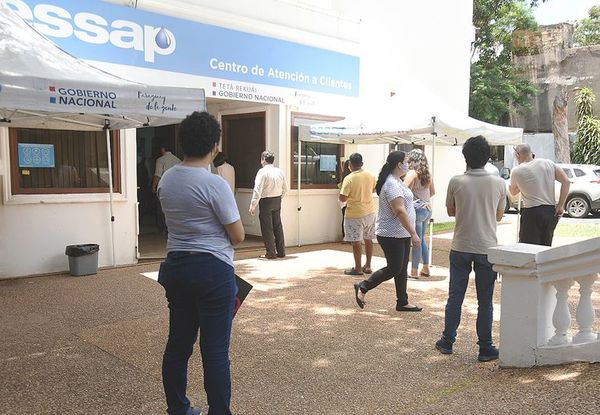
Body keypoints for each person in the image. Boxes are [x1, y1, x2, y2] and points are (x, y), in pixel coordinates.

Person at [157, 111, 244, 415]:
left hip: (176, 266)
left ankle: (178, 409)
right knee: (215, 350)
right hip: (212, 271)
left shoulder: (167, 179)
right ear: (214, 145)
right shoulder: (214, 184)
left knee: (178, 345)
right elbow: (237, 235)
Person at [434, 135, 506, 362]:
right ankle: (485, 347)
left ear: (465, 157)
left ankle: (447, 340)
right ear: (488, 157)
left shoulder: (456, 181)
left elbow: (450, 211)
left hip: (461, 245)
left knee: (455, 296)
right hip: (487, 246)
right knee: (485, 299)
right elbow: (499, 215)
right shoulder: (498, 183)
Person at [353, 151, 422, 311]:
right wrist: (414, 233)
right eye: (406, 161)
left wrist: (415, 206)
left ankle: (402, 302)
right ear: (399, 164)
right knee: (394, 268)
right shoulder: (391, 183)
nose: (408, 164)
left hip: (401, 233)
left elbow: (403, 205)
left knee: (402, 268)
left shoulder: (397, 181)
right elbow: (399, 210)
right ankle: (363, 286)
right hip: (391, 234)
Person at [509, 143, 570, 246]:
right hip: (550, 212)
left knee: (527, 248)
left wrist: (523, 184)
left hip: (532, 213)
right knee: (545, 248)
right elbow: (566, 182)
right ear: (531, 153)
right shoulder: (548, 163)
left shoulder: (517, 170)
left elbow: (513, 192)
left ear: (518, 155)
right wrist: (560, 205)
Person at [339, 153, 377, 275]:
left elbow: (343, 198)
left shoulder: (349, 178)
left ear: (350, 164)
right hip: (370, 212)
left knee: (356, 241)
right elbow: (374, 189)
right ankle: (368, 265)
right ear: (361, 163)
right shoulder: (370, 175)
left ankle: (358, 268)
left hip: (354, 214)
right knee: (368, 239)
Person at [249, 150, 287, 259]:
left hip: (266, 201)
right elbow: (285, 189)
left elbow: (257, 190)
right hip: (277, 200)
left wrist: (253, 205)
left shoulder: (262, 172)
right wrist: (279, 197)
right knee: (278, 226)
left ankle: (270, 252)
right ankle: (281, 251)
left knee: (267, 227)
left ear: (263, 160)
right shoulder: (280, 171)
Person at [404, 149, 435, 278]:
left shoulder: (412, 173)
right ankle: (426, 268)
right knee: (421, 239)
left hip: (417, 210)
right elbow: (432, 192)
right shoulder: (428, 174)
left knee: (416, 240)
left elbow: (403, 191)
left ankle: (414, 271)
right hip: (427, 208)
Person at [152, 142, 181, 234]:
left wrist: (153, 187)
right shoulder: (178, 160)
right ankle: (173, 228)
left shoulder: (161, 160)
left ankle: (163, 228)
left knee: (161, 208)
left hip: (164, 187)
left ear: (163, 149)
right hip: (176, 188)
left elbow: (158, 175)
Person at [338, 159, 352, 239]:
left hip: (344, 201)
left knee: (345, 218)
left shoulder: (344, 176)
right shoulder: (350, 177)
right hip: (348, 200)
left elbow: (340, 186)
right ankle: (348, 237)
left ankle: (345, 236)